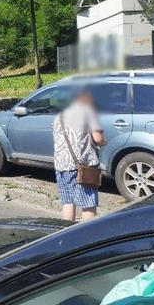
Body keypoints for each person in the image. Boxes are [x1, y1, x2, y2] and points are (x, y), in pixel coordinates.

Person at [52, 87, 106, 222]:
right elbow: (98, 139)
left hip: (62, 165)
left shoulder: (60, 115)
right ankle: (86, 236)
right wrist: (104, 142)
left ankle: (66, 232)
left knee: (68, 202)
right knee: (88, 203)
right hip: (83, 166)